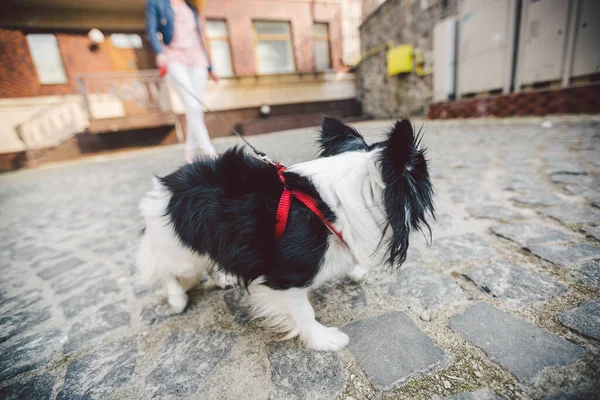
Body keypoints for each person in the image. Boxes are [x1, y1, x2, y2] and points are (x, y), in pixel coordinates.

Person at [146, 0, 219, 162]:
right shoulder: (157, 3)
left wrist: (211, 68)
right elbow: (151, 30)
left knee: (196, 108)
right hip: (175, 57)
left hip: (198, 59)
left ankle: (189, 152)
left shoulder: (191, 7)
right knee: (192, 106)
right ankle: (210, 153)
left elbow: (199, 38)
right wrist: (159, 53)